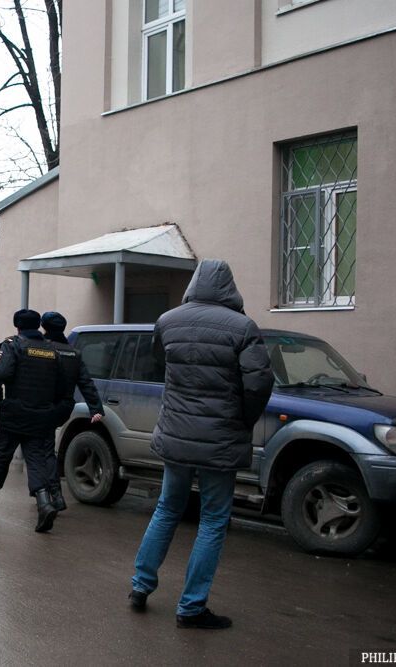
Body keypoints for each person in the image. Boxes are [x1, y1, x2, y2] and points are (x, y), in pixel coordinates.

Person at [128, 259, 273, 630]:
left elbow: (160, 362)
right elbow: (259, 383)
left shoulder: (168, 321)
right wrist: (241, 420)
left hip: (176, 433)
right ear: (229, 288)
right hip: (220, 440)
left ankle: (140, 586)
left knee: (166, 508)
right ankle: (191, 607)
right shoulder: (243, 328)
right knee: (212, 520)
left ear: (194, 284)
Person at [0, 309, 62, 533]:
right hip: (41, 415)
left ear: (18, 327)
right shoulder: (52, 349)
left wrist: (0, 395)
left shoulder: (13, 345)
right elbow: (60, 383)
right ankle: (44, 503)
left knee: (1, 457)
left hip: (15, 414)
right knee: (35, 460)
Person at [40, 311, 105, 511]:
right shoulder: (74, 353)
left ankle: (52, 496)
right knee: (45, 449)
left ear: (44, 327)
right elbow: (86, 383)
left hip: (42, 407)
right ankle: (51, 494)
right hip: (64, 408)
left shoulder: (43, 349)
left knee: (40, 451)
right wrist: (96, 408)